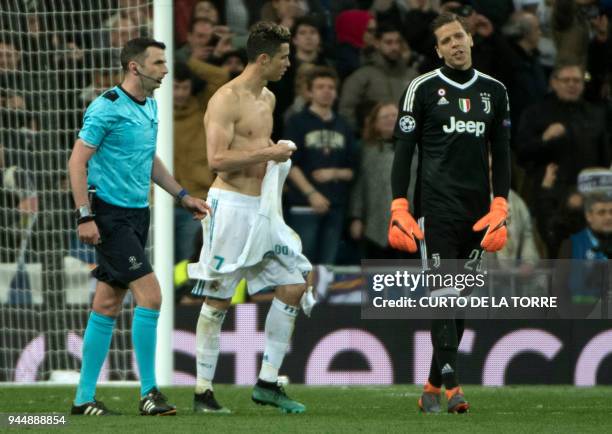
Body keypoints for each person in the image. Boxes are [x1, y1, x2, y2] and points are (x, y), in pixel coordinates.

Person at [67, 37, 211, 416]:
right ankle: (149, 393)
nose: (166, 69)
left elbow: (148, 160)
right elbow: (76, 162)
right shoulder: (106, 108)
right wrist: (85, 215)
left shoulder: (149, 105)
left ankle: (83, 399)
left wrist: (182, 195)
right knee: (151, 295)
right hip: (109, 215)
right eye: (159, 63)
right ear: (135, 67)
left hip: (137, 214)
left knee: (108, 301)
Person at [388, 12, 511, 413]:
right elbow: (404, 150)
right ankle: (455, 386)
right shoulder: (421, 89)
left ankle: (430, 387)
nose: (455, 44)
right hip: (436, 208)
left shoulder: (495, 91)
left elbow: (503, 153)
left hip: (478, 212)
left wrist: (501, 203)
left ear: (470, 39)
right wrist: (399, 203)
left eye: (459, 36)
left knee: (461, 300)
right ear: (437, 50)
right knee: (442, 296)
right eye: (446, 41)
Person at [187, 21, 311, 414]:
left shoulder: (268, 100)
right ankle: (203, 392)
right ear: (263, 58)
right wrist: (267, 155)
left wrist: (276, 152)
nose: (289, 64)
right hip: (231, 208)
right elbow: (217, 160)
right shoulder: (226, 99)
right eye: (284, 57)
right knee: (218, 299)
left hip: (263, 210)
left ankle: (267, 382)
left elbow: (259, 147)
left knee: (294, 283)